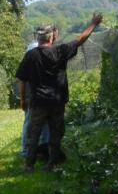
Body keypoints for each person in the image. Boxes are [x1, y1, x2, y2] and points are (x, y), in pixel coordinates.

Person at [16, 13, 103, 171]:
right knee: (56, 133)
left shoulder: (31, 55)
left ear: (38, 38)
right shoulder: (60, 51)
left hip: (38, 102)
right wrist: (94, 24)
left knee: (33, 133)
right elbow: (80, 40)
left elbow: (21, 79)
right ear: (51, 38)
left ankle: (29, 165)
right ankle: (52, 163)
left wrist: (22, 100)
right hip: (57, 101)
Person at [20, 32, 51, 166]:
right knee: (30, 122)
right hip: (33, 93)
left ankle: (42, 150)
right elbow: (22, 79)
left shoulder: (36, 51)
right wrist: (23, 99)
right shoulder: (33, 51)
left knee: (43, 124)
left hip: (41, 94)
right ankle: (27, 150)